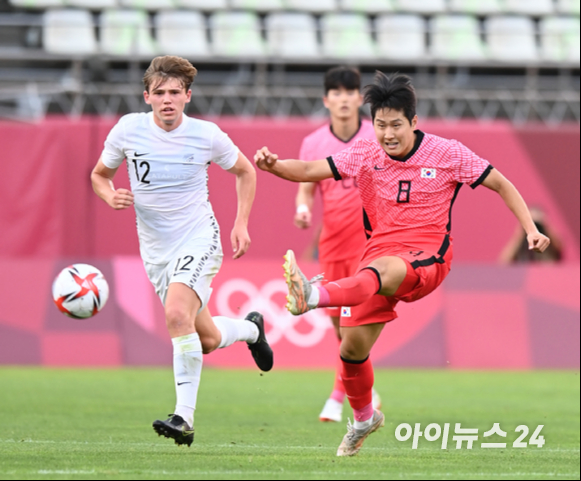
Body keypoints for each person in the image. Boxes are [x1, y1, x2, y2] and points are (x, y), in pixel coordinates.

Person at [255, 72, 550, 457]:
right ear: (372, 124)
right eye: (380, 125)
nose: (388, 134)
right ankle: (364, 419)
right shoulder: (365, 153)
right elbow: (311, 171)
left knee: (380, 272)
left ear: (414, 121)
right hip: (379, 252)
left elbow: (501, 183)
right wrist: (274, 166)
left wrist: (529, 228)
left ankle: (313, 294)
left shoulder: (449, 153)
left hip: (428, 256)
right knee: (351, 348)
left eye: (396, 125)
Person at [91, 56, 273, 448]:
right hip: (156, 251)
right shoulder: (128, 130)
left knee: (176, 314)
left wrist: (240, 223)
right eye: (160, 93)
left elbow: (246, 171)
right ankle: (252, 329)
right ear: (147, 97)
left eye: (175, 92)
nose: (167, 100)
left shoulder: (206, 135)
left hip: (198, 238)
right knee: (202, 339)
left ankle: (183, 418)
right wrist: (109, 195)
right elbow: (99, 175)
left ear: (188, 96)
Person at [294, 66, 381, 423]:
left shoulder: (377, 135)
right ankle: (367, 389)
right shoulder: (314, 142)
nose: (344, 99)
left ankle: (336, 396)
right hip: (331, 244)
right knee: (337, 327)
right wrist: (302, 209)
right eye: (337, 93)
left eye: (350, 92)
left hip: (369, 244)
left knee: (353, 326)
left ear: (360, 98)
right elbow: (305, 184)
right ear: (326, 99)